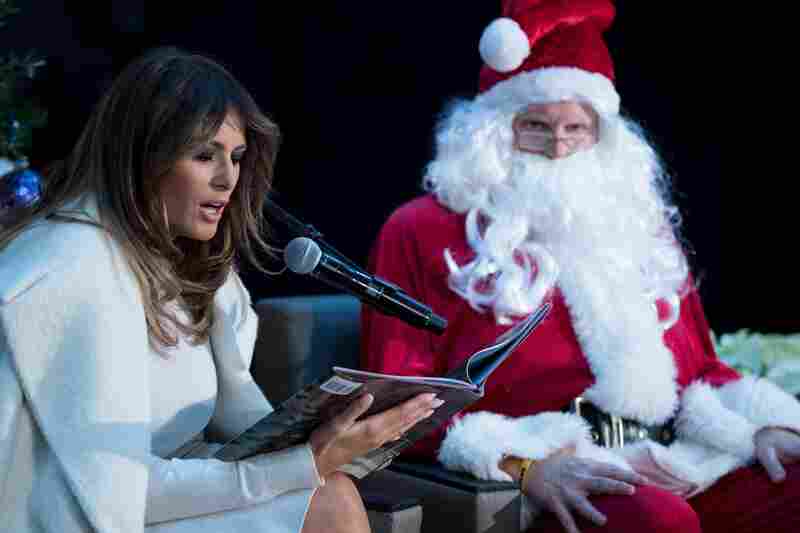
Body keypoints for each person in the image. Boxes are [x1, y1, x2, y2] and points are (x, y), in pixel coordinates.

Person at [360, 2, 800, 532]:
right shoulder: (420, 230)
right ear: (493, 132)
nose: (558, 147)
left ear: (603, 135)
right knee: (657, 521)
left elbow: (701, 372)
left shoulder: (642, 229)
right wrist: (523, 464)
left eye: (576, 128)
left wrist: (760, 429)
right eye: (535, 127)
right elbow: (400, 401)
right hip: (554, 467)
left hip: (679, 457)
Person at [0, 47, 442, 533]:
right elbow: (117, 494)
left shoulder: (190, 262)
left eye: (235, 157)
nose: (227, 178)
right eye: (203, 155)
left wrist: (346, 432)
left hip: (161, 495)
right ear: (142, 155)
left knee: (330, 490)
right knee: (325, 500)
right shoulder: (73, 264)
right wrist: (301, 465)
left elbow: (245, 428)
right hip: (89, 517)